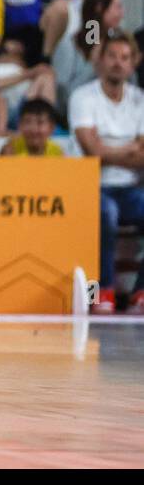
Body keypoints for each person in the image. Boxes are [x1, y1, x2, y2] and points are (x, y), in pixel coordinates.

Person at [69, 33, 144, 315]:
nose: (118, 63)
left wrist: (108, 150)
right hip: (90, 186)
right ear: (100, 60)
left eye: (125, 58)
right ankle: (104, 291)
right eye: (112, 56)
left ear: (134, 63)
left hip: (131, 188)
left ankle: (140, 292)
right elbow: (91, 151)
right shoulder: (83, 97)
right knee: (107, 213)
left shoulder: (140, 100)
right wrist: (131, 149)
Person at [53, 0, 124, 106]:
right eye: (117, 7)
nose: (121, 13)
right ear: (99, 7)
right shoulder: (70, 45)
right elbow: (63, 95)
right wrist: (95, 63)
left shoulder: (113, 38)